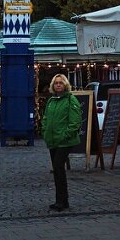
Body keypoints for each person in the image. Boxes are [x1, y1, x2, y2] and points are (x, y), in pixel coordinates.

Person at [42, 74, 81, 212]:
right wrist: (45, 131)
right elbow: (46, 118)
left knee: (58, 167)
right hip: (53, 140)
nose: (58, 85)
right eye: (56, 83)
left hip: (64, 141)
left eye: (61, 83)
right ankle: (62, 200)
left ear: (65, 85)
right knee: (57, 170)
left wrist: (66, 135)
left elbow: (75, 121)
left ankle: (62, 201)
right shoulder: (51, 101)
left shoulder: (71, 99)